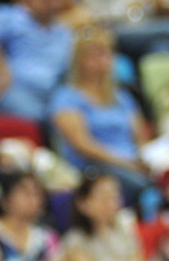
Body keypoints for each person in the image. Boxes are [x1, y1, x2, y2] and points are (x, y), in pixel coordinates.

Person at [49, 27, 151, 202]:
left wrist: (145, 158)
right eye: (92, 55)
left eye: (104, 54)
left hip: (131, 162)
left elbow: (140, 136)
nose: (99, 61)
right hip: (95, 167)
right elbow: (82, 144)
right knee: (141, 184)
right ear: (79, 60)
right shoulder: (66, 97)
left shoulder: (122, 97)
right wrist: (125, 163)